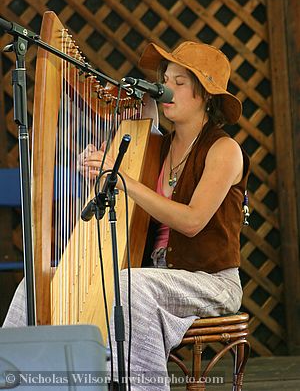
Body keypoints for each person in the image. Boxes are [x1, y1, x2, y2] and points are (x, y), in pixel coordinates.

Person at [3, 41, 249, 391]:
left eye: (180, 82)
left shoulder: (224, 149)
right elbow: (125, 182)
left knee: (129, 286)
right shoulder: (155, 147)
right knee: (37, 283)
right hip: (154, 276)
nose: (167, 88)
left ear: (205, 95)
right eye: (165, 79)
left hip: (210, 281)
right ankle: (15, 379)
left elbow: (192, 221)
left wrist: (125, 181)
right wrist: (100, 167)